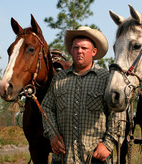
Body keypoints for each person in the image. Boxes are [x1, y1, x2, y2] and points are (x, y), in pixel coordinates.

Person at [41, 26, 126, 163]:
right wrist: (53, 135)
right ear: (71, 51)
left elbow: (118, 112)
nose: (79, 51)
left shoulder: (105, 79)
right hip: (63, 157)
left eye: (84, 48)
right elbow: (46, 108)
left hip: (94, 157)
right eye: (75, 48)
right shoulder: (59, 79)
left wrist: (108, 144)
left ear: (94, 52)